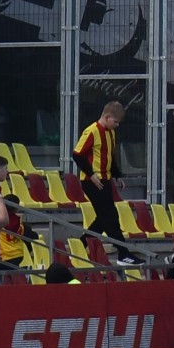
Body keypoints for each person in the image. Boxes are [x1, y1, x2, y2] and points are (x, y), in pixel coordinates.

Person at [72, 98, 125, 241]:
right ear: (107, 117)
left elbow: (110, 156)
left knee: (104, 218)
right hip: (92, 181)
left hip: (105, 179)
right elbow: (77, 154)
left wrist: (117, 175)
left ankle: (81, 244)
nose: (117, 125)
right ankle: (123, 249)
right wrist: (91, 175)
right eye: (115, 121)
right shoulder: (92, 131)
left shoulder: (111, 133)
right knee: (110, 216)